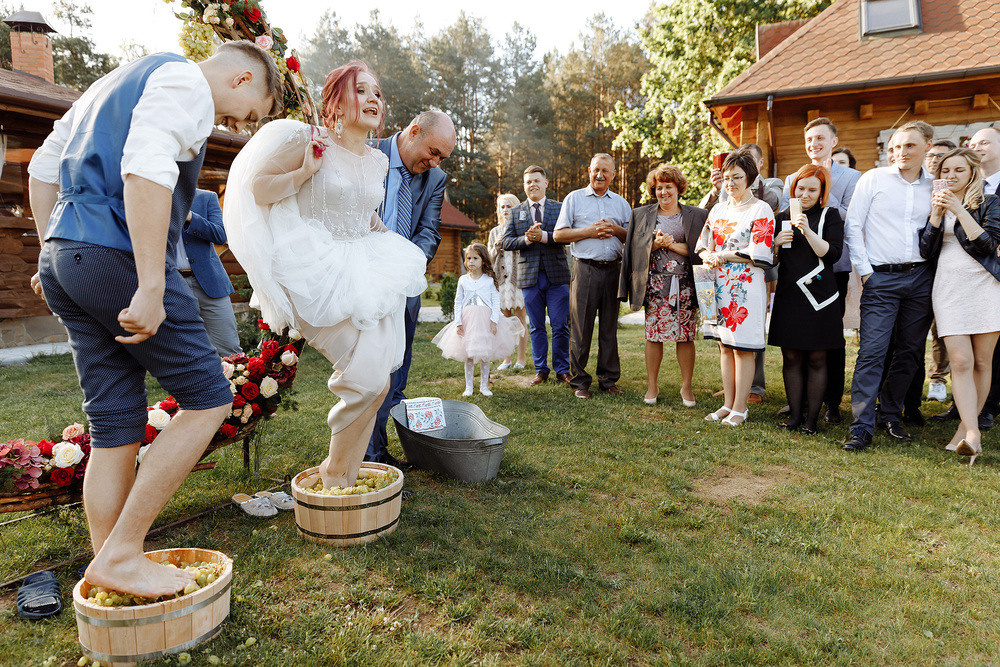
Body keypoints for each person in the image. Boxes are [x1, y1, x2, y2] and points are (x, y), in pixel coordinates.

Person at [27, 42, 280, 597]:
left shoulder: (113, 83)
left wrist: (54, 250)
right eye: (249, 113)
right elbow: (145, 170)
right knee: (209, 396)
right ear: (241, 77)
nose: (236, 125)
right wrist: (150, 284)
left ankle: (111, 569)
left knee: (114, 425)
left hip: (69, 253)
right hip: (118, 257)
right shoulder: (186, 81)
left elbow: (45, 167)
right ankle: (121, 552)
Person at [224, 62, 427, 488]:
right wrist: (303, 174)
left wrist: (392, 241)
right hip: (314, 268)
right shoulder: (307, 140)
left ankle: (345, 478)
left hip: (367, 266)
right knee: (367, 376)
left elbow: (363, 213)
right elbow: (256, 188)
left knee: (380, 380)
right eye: (362, 90)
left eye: (378, 92)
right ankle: (334, 472)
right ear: (335, 99)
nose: (374, 98)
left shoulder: (377, 161)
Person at [365, 110, 457, 466]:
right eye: (432, 152)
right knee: (369, 372)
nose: (434, 162)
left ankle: (378, 449)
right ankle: (370, 452)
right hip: (362, 280)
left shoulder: (435, 178)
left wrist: (404, 266)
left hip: (404, 285)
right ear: (414, 132)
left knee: (396, 373)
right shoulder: (367, 152)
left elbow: (429, 231)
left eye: (441, 158)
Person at [842, 121, 934, 451]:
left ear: (927, 145)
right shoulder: (873, 179)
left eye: (909, 146)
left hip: (921, 278)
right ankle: (861, 426)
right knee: (873, 352)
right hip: (880, 278)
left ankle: (890, 413)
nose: (901, 153)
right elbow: (853, 226)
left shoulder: (935, 186)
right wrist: (867, 273)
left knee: (910, 351)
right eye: (894, 147)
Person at [918, 148, 1000, 465]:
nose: (950, 176)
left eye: (958, 170)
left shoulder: (990, 203)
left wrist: (959, 209)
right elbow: (926, 250)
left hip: (985, 287)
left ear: (972, 173)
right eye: (945, 171)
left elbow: (988, 244)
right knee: (961, 361)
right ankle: (973, 432)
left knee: (982, 361)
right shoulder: (937, 204)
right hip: (948, 287)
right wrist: (937, 216)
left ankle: (965, 434)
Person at [780, 118, 861, 423]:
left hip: (833, 267)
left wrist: (823, 189)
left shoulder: (852, 176)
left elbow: (851, 220)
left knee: (828, 342)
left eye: (820, 139)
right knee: (797, 343)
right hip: (795, 269)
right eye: (809, 139)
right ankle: (797, 403)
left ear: (833, 141)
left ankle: (830, 402)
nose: (814, 144)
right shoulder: (794, 177)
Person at [696, 150, 775, 426]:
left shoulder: (760, 209)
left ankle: (741, 408)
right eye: (727, 178)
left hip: (744, 287)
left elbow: (761, 250)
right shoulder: (718, 209)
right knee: (724, 346)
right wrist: (708, 254)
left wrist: (723, 256)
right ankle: (727, 404)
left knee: (742, 347)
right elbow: (704, 242)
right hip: (716, 285)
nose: (730, 183)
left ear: (750, 178)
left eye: (737, 177)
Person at [619, 164, 707, 406]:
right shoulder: (640, 214)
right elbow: (633, 251)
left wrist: (670, 245)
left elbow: (701, 251)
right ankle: (652, 386)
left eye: (669, 186)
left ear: (678, 188)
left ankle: (687, 388)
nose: (664, 192)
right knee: (654, 336)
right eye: (659, 187)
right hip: (655, 285)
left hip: (686, 285)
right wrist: (655, 246)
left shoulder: (697, 215)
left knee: (685, 337)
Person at [769, 165, 844, 434]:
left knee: (816, 359)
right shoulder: (781, 217)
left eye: (813, 189)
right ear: (794, 189)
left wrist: (808, 232)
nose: (806, 194)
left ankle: (812, 420)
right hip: (789, 295)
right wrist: (776, 244)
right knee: (790, 357)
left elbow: (833, 254)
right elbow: (772, 262)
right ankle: (794, 416)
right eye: (801, 188)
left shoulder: (830, 216)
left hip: (820, 298)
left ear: (822, 192)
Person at [553, 153, 632, 399]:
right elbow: (558, 235)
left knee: (609, 328)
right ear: (589, 170)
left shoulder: (621, 203)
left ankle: (608, 380)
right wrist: (589, 231)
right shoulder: (574, 199)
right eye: (596, 170)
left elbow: (633, 237)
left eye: (605, 171)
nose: (600, 175)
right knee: (580, 328)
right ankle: (580, 382)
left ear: (613, 174)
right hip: (585, 269)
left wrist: (616, 230)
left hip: (613, 270)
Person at [502, 166, 570, 385]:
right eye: (528, 182)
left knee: (560, 325)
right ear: (524, 186)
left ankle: (562, 369)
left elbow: (568, 237)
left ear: (546, 183)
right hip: (530, 277)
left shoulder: (559, 208)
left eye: (536, 181)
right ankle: (541, 370)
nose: (532, 185)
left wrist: (544, 237)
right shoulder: (516, 212)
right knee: (536, 326)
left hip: (557, 276)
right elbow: (505, 242)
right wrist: (527, 240)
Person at [432, 243, 524, 396]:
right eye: (468, 258)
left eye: (475, 258)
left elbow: (496, 302)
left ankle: (484, 386)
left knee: (485, 353)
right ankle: (469, 387)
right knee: (469, 353)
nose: (471, 261)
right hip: (468, 320)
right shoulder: (463, 280)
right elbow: (458, 301)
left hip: (485, 320)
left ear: (483, 260)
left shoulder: (489, 280)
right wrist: (458, 322)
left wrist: (494, 321)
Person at [177, 189, 241, 357]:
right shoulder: (151, 198)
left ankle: (236, 382)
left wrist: (190, 217)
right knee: (185, 353)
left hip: (210, 284)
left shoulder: (207, 197)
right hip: (172, 286)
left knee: (229, 349)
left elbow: (221, 235)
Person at [921, 139, 958, 403]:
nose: (936, 161)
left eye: (942, 158)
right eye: (932, 156)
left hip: (951, 269)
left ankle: (938, 379)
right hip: (920, 268)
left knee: (943, 330)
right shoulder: (920, 188)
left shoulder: (955, 193)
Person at [487, 193, 527, 370]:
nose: (505, 210)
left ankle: (521, 359)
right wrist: (496, 244)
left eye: (509, 206)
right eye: (502, 207)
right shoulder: (494, 232)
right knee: (504, 321)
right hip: (501, 282)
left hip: (518, 280)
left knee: (520, 319)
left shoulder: (522, 228)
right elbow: (489, 258)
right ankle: (506, 359)